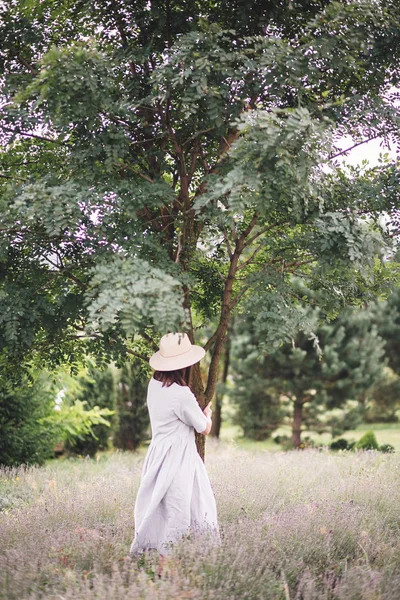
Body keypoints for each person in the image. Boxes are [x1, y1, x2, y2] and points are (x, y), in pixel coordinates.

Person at [129, 332, 219, 558]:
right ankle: (173, 560)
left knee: (158, 506)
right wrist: (207, 414)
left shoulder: (154, 385)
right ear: (185, 365)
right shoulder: (182, 394)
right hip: (179, 457)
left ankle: (154, 553)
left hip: (158, 453)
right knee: (185, 507)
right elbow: (203, 428)